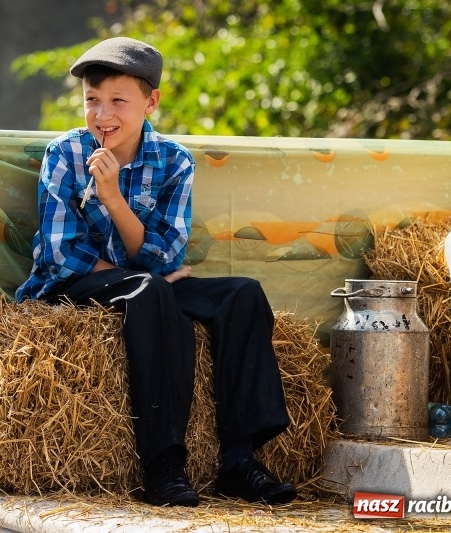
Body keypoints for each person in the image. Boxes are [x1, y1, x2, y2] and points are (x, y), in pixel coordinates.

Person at [15, 36, 296, 507]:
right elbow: (62, 255)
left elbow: (165, 254)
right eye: (92, 101)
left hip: (146, 284)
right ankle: (164, 468)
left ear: (151, 101)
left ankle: (239, 461)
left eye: (117, 102)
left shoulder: (173, 161)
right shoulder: (64, 154)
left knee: (242, 294)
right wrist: (146, 279)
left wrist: (114, 200)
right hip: (71, 286)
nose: (102, 115)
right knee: (149, 290)